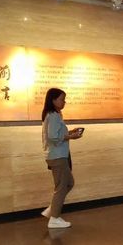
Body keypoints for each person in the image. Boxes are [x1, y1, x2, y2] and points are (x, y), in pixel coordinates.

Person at [41, 88, 84, 229]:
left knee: (69, 183)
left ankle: (52, 209)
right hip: (57, 156)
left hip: (58, 155)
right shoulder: (53, 115)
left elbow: (57, 134)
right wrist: (71, 136)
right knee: (62, 186)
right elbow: (53, 137)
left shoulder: (54, 115)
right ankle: (54, 218)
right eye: (61, 99)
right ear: (53, 100)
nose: (64, 102)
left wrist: (70, 133)